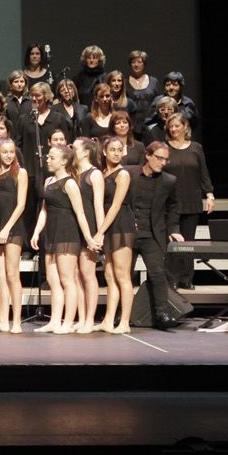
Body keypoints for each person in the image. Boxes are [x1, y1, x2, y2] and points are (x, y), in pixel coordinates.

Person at [29, 145, 87, 334]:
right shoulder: (49, 181)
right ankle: (55, 321)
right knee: (53, 280)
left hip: (66, 233)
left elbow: (80, 213)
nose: (47, 159)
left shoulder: (69, 183)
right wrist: (37, 231)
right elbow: (44, 210)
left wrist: (89, 238)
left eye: (51, 157)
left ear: (63, 161)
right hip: (51, 234)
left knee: (67, 279)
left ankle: (68, 322)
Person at [130, 141, 185, 331]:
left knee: (157, 272)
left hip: (152, 234)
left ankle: (162, 313)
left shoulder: (169, 181)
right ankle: (120, 313)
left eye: (165, 159)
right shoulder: (129, 174)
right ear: (147, 155)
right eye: (159, 158)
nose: (162, 162)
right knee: (123, 275)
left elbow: (173, 207)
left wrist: (174, 229)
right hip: (128, 233)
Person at [163, 114, 214, 288]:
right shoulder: (164, 148)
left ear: (186, 127)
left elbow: (203, 173)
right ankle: (171, 279)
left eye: (177, 126)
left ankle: (186, 279)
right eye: (171, 126)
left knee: (188, 242)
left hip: (191, 200)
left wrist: (209, 194)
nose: (174, 129)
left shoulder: (196, 148)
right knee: (171, 242)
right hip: (169, 203)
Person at [0, 138, 29, 333]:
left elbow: (21, 205)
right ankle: (2, 319)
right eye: (5, 152)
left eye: (12, 152)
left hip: (13, 227)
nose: (9, 155)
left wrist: (6, 228)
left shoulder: (21, 173)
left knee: (12, 274)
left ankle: (16, 321)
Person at [97, 136, 137, 333]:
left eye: (119, 150)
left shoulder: (123, 174)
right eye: (112, 149)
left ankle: (125, 323)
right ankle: (108, 319)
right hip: (108, 224)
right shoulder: (104, 173)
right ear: (104, 152)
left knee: (122, 275)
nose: (116, 153)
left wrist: (100, 231)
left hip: (120, 223)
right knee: (110, 274)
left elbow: (115, 205)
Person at [69, 138, 107, 333]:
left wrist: (100, 232)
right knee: (75, 274)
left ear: (85, 152)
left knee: (87, 273)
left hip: (90, 226)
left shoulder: (95, 174)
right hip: (74, 226)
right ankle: (81, 317)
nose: (70, 149)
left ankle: (90, 319)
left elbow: (98, 205)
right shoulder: (73, 173)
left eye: (73, 147)